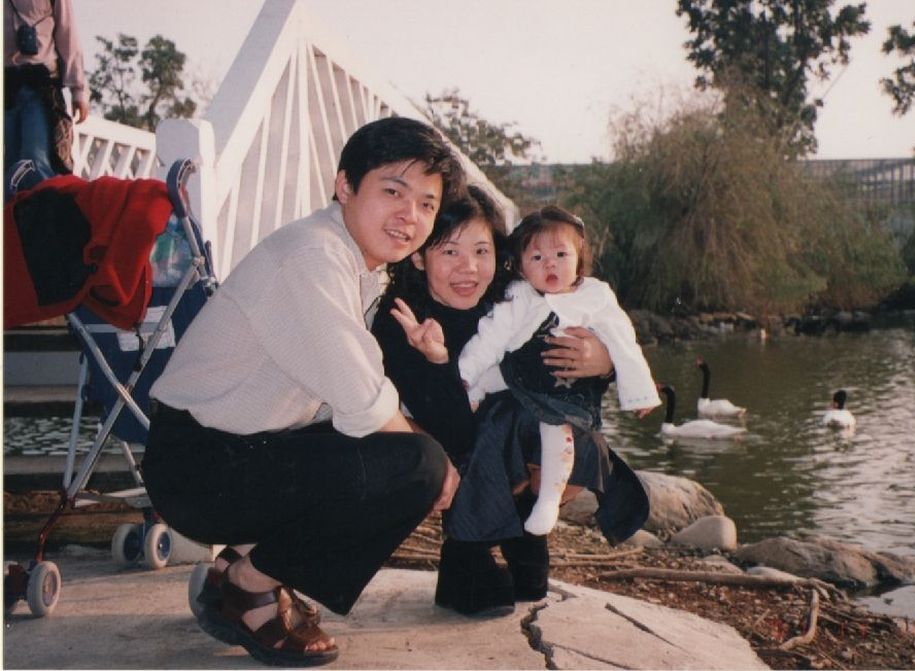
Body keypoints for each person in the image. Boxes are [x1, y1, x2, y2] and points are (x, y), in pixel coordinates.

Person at [141, 117, 465, 667]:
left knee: (408, 453)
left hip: (231, 452)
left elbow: (356, 397)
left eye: (427, 204)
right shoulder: (312, 255)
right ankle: (249, 585)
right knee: (417, 465)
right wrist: (433, 467)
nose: (410, 215)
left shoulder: (353, 262)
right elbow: (363, 402)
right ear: (345, 186)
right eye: (393, 191)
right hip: (198, 467)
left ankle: (237, 566)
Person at [374, 192, 648, 616]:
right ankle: (467, 548)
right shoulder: (402, 318)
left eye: (481, 251)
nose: (468, 267)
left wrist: (604, 361)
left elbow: (574, 335)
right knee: (503, 421)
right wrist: (438, 360)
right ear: (418, 256)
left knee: (576, 442)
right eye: (449, 251)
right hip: (437, 441)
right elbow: (447, 423)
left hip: (512, 434)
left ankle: (522, 528)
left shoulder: (510, 297)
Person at [457, 205, 660, 535]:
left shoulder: (594, 297)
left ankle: (549, 499)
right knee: (486, 374)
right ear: (521, 266)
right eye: (536, 258)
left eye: (561, 254)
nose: (550, 263)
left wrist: (640, 392)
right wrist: (466, 376)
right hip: (518, 377)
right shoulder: (519, 295)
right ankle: (468, 396)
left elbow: (623, 343)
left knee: (556, 429)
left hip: (564, 391)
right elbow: (490, 338)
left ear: (579, 258)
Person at [4, 0, 89, 195]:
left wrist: (78, 90)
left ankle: (42, 212)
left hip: (40, 87)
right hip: (6, 87)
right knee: (8, 167)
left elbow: (67, 34)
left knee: (35, 162)